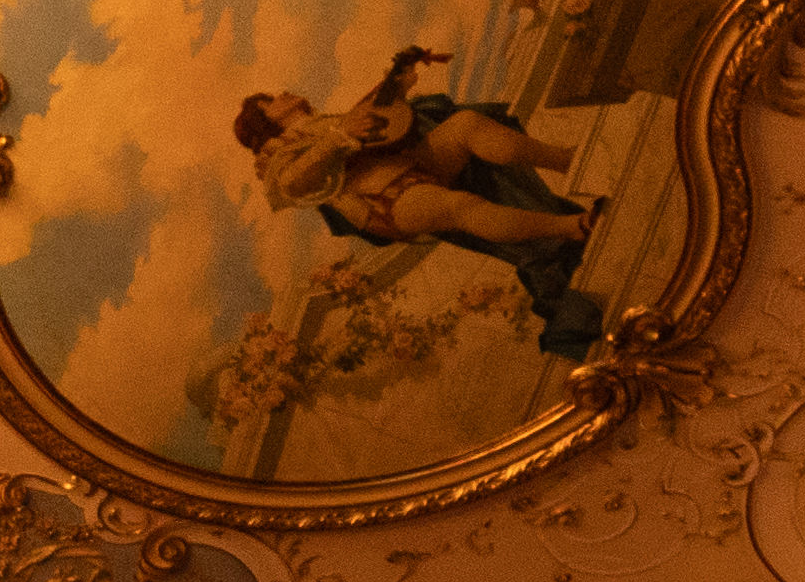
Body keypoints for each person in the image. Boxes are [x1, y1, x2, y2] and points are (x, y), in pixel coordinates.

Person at [238, 49, 609, 355]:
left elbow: (382, 123)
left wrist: (400, 76)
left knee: (465, 124)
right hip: (384, 200)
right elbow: (293, 183)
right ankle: (571, 227)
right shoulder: (276, 155)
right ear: (264, 123)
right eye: (269, 102)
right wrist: (338, 138)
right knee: (459, 207)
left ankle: (572, 160)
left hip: (412, 163)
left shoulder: (329, 119)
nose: (281, 95)